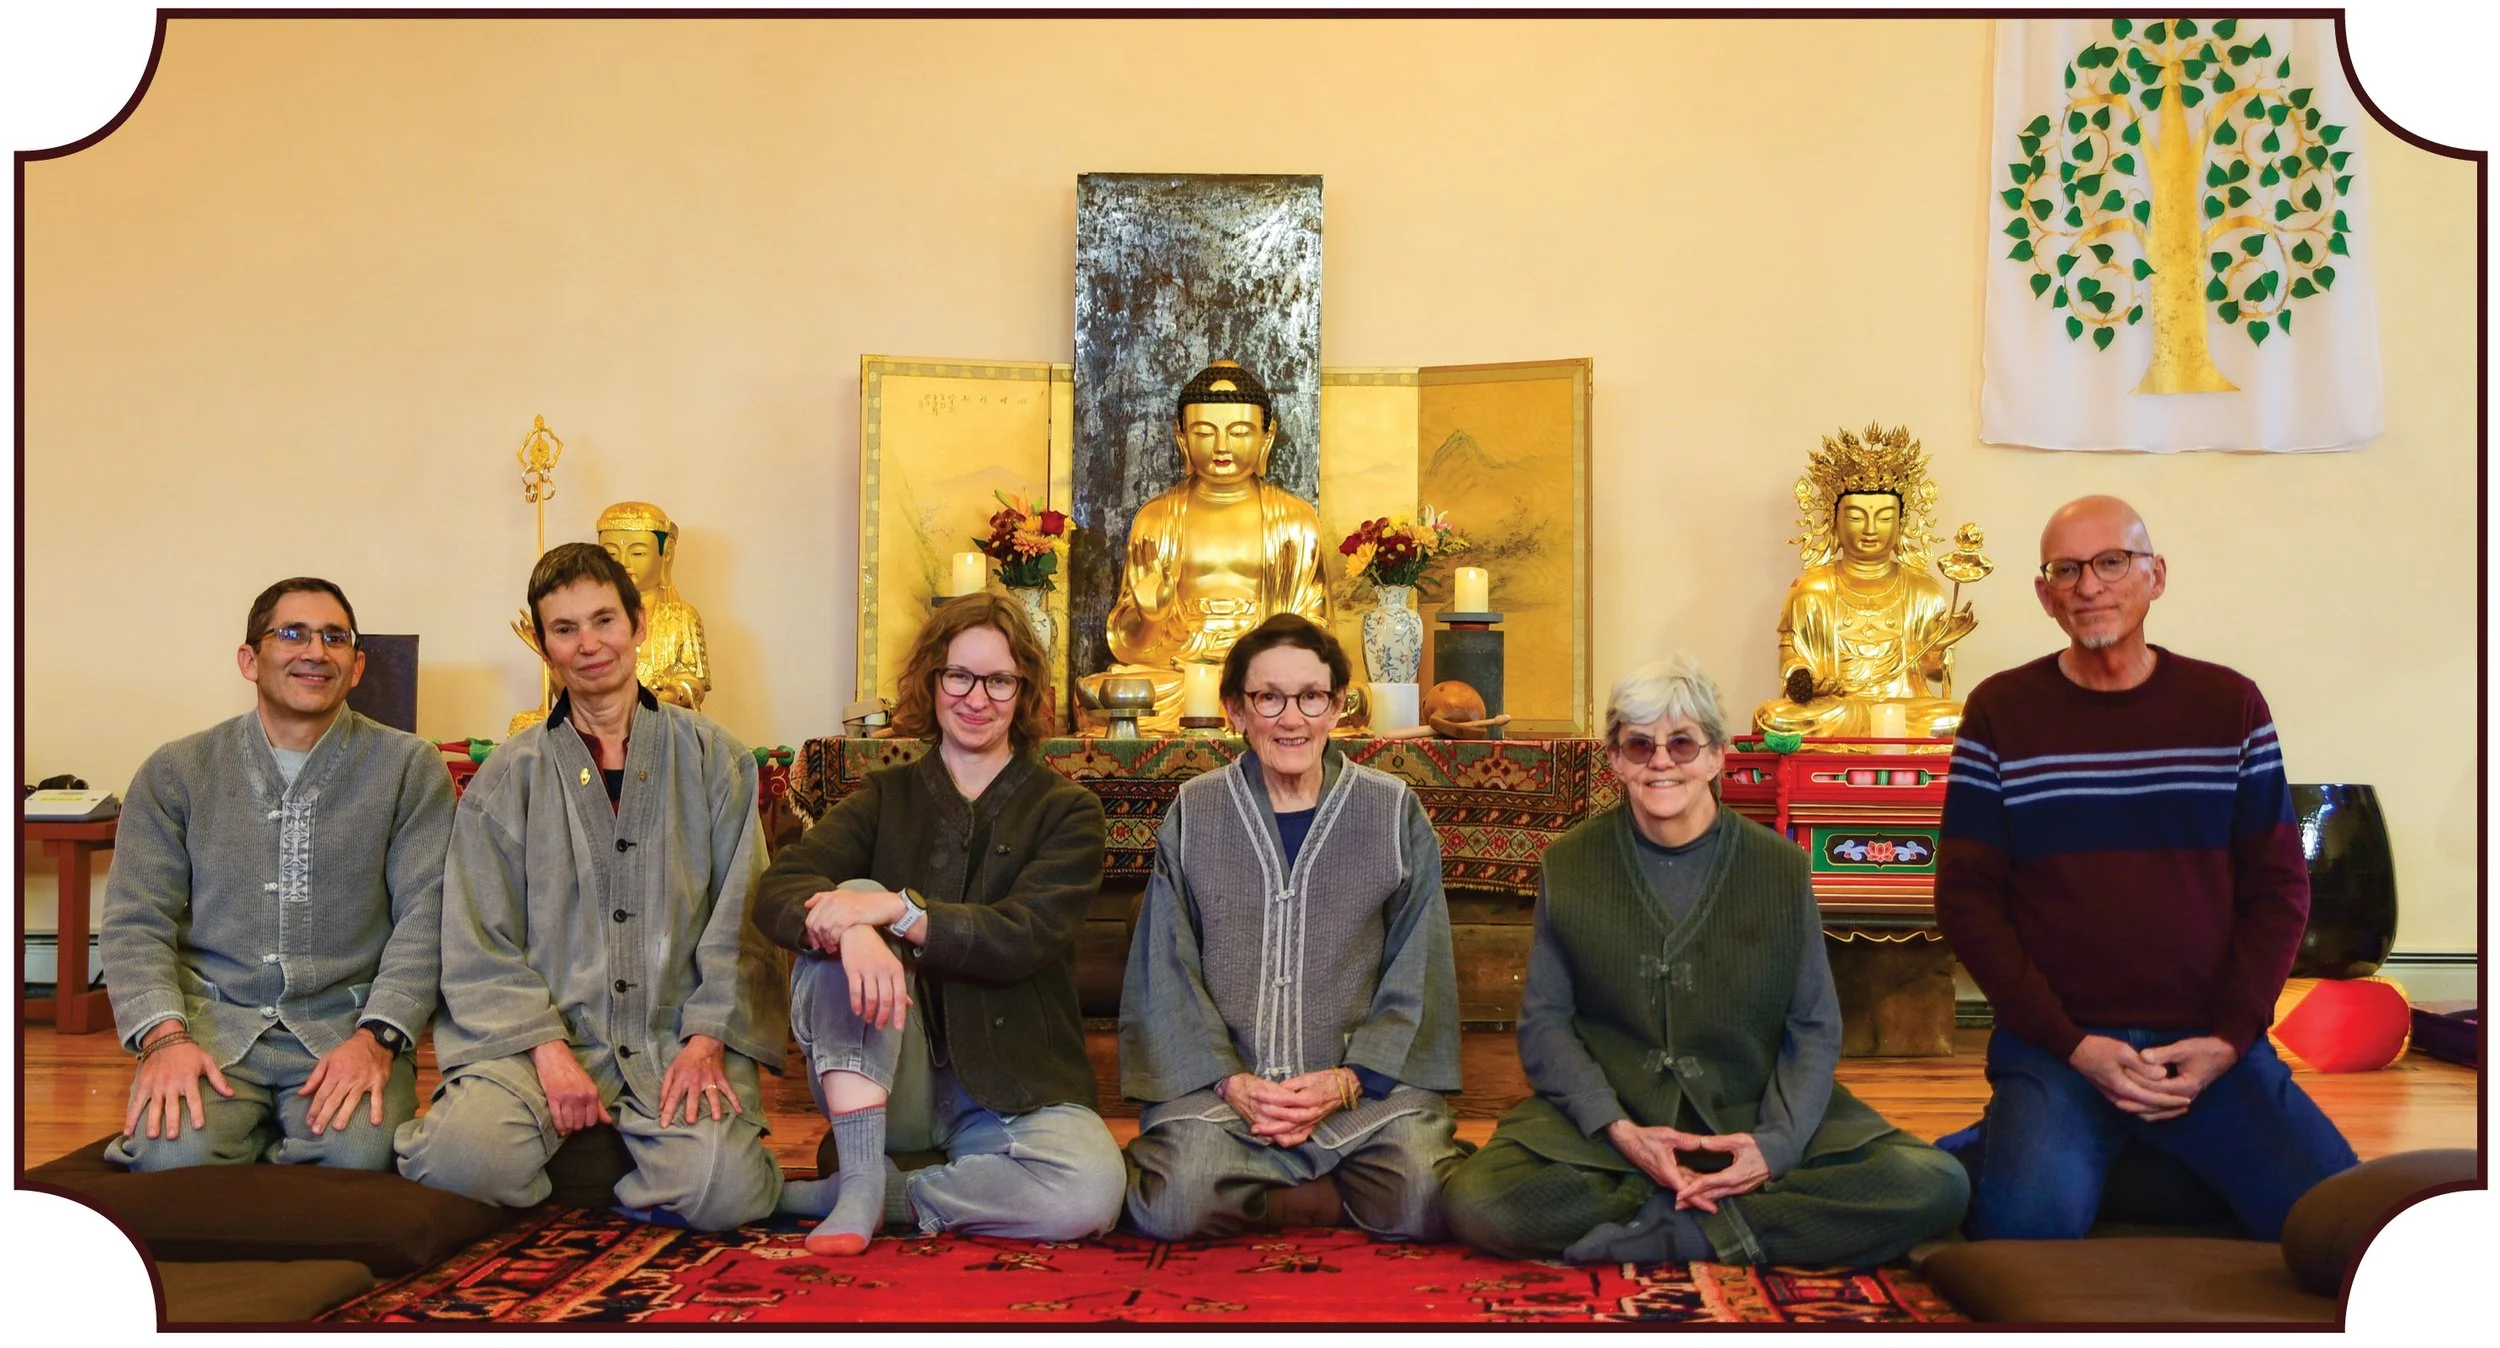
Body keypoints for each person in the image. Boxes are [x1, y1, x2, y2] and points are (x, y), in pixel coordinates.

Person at [1442, 656, 1968, 1267]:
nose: (1661, 762)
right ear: (1615, 759)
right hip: (1616, 1123)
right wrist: (1620, 1131)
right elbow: (1544, 1024)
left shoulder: (1780, 868)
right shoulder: (1570, 863)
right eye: (1639, 745)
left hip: (1754, 1108)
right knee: (1477, 1201)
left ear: (1717, 755)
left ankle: (1677, 1229)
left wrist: (1775, 1146)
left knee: (1934, 1183)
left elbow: (1813, 1027)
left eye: (1683, 744)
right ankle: (1707, 1211)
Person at [1934, 495, 2356, 1241]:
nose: (2089, 585)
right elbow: (1967, 900)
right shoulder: (2001, 711)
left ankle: (2115, 1156)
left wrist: (2229, 1038)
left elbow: (2279, 889)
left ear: (2155, 576)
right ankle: (2037, 1148)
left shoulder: (2229, 705)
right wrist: (2070, 1044)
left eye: (2111, 562)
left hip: (2206, 1045)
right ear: (2045, 596)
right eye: (2066, 570)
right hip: (2061, 1049)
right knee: (2028, 1229)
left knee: (2334, 1222)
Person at [396, 543, 786, 1230]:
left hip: (673, 1042)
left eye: (604, 620)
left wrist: (706, 1042)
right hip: (536, 1044)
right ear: (544, 646)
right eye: (565, 629)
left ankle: (600, 1164)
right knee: (459, 1163)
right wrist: (548, 1054)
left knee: (722, 1193)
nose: (589, 644)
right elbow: (477, 940)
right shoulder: (508, 776)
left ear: (638, 624)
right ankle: (626, 1158)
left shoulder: (715, 759)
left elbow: (743, 924)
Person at [752, 593, 1125, 1255]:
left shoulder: (1068, 811)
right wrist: (857, 926)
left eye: (999, 680)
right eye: (959, 676)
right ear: (932, 681)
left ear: (1023, 691)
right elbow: (779, 889)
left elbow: (1023, 935)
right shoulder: (885, 796)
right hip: (893, 1081)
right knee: (846, 901)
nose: (976, 698)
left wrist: (899, 910)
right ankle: (863, 1176)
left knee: (1089, 1192)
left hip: (1015, 1084)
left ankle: (878, 1192)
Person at [1121, 613, 1465, 1241]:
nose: (1292, 719)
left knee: (1423, 1197)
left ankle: (1274, 1195)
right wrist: (1231, 1080)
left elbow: (1418, 964)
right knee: (1173, 1205)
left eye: (1311, 697)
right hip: (1225, 1099)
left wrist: (1349, 1079)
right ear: (1236, 709)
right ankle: (1321, 1199)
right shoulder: (1196, 809)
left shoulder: (1392, 809)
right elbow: (1168, 963)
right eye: (1269, 698)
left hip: (1361, 1098)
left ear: (1337, 706)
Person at [99, 578, 454, 1171]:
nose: (315, 651)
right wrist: (164, 1039)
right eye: (292, 634)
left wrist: (378, 1039)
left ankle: (263, 1141)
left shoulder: (408, 767)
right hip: (211, 1025)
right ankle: (250, 1136)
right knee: (170, 1157)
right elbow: (135, 919)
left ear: (357, 665)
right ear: (249, 660)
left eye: (335, 638)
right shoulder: (177, 770)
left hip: (346, 1026)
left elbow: (428, 915)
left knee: (359, 1156)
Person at [1081, 360, 1331, 730]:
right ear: (1181, 437)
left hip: (1266, 677)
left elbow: (1317, 630)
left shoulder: (1295, 520)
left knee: (1347, 699)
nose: (1221, 447)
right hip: (1178, 672)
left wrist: (1257, 652)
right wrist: (1151, 618)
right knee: (1099, 693)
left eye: (1239, 432)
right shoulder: (1156, 518)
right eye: (1203, 432)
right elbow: (1130, 645)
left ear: (1267, 436)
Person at [1753, 425, 1976, 738]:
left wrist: (1937, 645)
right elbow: (1791, 654)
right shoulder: (1811, 589)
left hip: (1905, 708)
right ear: (1834, 522)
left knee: (1962, 717)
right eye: (1856, 517)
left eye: (1884, 518)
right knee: (1772, 717)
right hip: (1835, 709)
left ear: (1901, 525)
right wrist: (1803, 679)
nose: (1870, 529)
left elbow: (1933, 675)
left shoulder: (1924, 591)